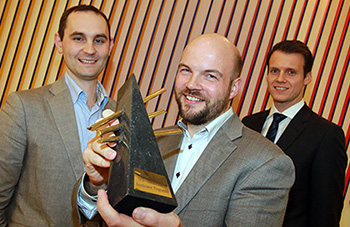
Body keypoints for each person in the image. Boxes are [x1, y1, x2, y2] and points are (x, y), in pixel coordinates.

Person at [75, 33, 296, 226]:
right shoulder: (154, 142)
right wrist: (97, 183)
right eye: (185, 70)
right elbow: (97, 219)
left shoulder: (266, 163)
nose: (191, 84)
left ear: (233, 88)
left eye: (210, 75)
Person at [0, 5, 115, 226]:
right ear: (59, 42)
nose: (89, 49)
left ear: (110, 46)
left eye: (99, 40)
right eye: (79, 38)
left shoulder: (125, 114)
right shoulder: (23, 107)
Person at [242, 40, 347, 227]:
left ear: (307, 78)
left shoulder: (326, 135)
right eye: (274, 70)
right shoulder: (249, 124)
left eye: (291, 72)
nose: (280, 79)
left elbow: (325, 215)